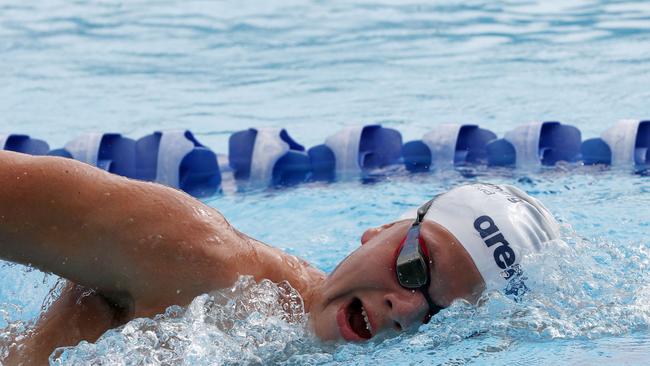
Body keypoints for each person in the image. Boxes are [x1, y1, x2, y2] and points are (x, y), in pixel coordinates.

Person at [0, 150, 560, 364]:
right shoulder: (198, 259)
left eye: (440, 314)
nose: (405, 307)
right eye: (416, 267)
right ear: (383, 230)